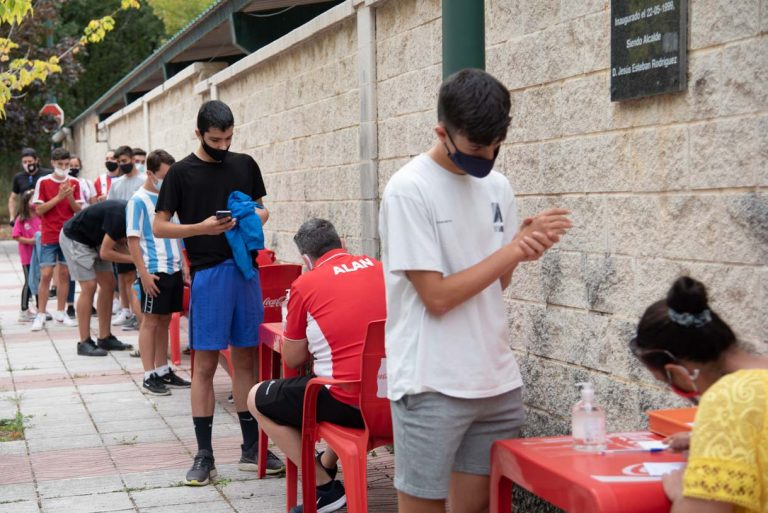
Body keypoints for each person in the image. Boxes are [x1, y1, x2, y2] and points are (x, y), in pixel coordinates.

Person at [378, 68, 572, 513]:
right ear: (442, 132)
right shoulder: (409, 190)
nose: (485, 156)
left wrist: (520, 252)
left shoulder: (497, 185)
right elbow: (438, 297)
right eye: (474, 147)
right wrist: (513, 252)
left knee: (477, 507)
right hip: (431, 380)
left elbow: (495, 284)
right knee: (423, 504)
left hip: (494, 378)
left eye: (494, 146)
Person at [154, 99, 284, 485]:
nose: (223, 145)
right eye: (215, 139)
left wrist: (252, 216)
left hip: (246, 273)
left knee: (247, 362)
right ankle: (204, 454)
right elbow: (160, 227)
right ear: (199, 133)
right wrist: (201, 228)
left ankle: (252, 449)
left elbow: (263, 211)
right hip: (209, 275)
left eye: (228, 137)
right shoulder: (180, 173)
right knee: (205, 366)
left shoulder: (244, 164)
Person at [248, 218, 386, 513]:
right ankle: (327, 463)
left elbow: (293, 359)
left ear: (306, 260)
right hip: (396, 396)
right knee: (347, 377)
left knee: (257, 397)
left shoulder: (305, 284)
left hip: (350, 403)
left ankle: (324, 488)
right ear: (343, 243)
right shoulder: (379, 267)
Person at [630, 276, 767, 513]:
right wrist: (705, 439)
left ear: (676, 371)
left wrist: (682, 494)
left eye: (667, 381)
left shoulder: (726, 399)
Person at [126, 149, 191, 395]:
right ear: (150, 173)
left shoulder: (169, 198)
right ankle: (148, 374)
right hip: (153, 270)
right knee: (150, 321)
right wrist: (142, 273)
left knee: (165, 320)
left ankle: (163, 370)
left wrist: (184, 264)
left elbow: (177, 233)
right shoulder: (138, 200)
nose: (168, 180)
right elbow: (133, 240)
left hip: (173, 268)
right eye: (164, 175)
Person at [59, 200, 134, 356]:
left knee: (108, 284)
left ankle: (105, 337)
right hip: (75, 238)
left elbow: (120, 243)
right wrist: (136, 260)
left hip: (96, 240)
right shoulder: (120, 216)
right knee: (89, 286)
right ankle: (84, 342)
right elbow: (106, 253)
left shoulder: (132, 215)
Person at [31, 147, 83, 332]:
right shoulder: (43, 182)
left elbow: (78, 211)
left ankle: (61, 312)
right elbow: (39, 210)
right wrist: (58, 197)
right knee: (46, 274)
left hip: (68, 235)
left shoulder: (75, 182)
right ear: (53, 163)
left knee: (64, 274)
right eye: (60, 164)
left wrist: (68, 197)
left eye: (66, 164)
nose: (64, 168)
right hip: (49, 234)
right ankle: (41, 313)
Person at [108, 145, 146, 330]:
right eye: (119, 162)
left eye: (125, 161)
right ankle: (126, 310)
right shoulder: (116, 183)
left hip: (139, 235)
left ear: (132, 159)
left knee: (134, 275)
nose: (122, 165)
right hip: (121, 236)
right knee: (123, 275)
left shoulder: (143, 180)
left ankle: (137, 311)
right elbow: (111, 206)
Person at [12, 190, 41, 322]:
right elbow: (16, 236)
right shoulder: (21, 219)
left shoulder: (40, 216)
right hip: (27, 256)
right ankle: (24, 310)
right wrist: (30, 241)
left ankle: (41, 309)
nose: (35, 202)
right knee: (29, 282)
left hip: (40, 256)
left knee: (40, 282)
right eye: (32, 200)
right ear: (25, 202)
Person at [9, 147, 50, 226]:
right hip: (25, 217)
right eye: (24, 162)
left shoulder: (47, 174)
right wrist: (12, 217)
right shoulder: (18, 177)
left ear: (36, 160)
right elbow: (13, 198)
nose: (27, 164)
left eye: (30, 161)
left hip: (43, 215)